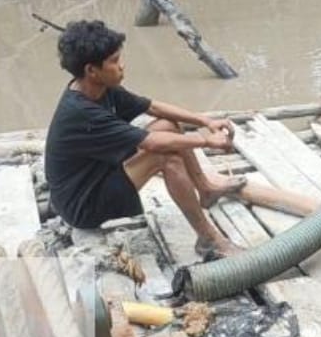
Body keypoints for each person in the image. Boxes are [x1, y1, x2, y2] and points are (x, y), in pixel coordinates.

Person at [45, 20, 244, 257]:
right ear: (91, 70)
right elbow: (151, 143)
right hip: (82, 204)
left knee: (167, 126)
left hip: (97, 175)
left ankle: (206, 189)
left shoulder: (99, 89)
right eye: (114, 61)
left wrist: (205, 121)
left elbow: (153, 108)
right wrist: (206, 140)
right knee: (165, 156)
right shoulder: (81, 113)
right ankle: (208, 239)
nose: (122, 66)